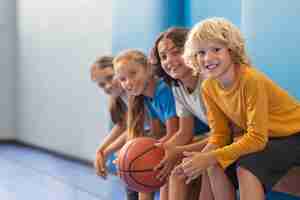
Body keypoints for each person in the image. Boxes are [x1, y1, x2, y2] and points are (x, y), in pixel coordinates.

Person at [173, 17, 300, 200]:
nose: (207, 58)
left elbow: (256, 138)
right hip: (270, 139)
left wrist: (209, 156)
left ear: (231, 51)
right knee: (213, 164)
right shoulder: (209, 87)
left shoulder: (251, 80)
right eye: (200, 52)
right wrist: (197, 160)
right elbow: (220, 135)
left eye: (216, 49)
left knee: (246, 168)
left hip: (294, 135)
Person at [149, 27, 213, 200]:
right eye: (163, 56)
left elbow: (225, 135)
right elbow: (185, 132)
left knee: (179, 169)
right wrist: (156, 151)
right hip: (216, 140)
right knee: (171, 167)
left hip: (235, 138)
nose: (170, 61)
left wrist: (177, 151)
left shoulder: (208, 81)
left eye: (176, 52)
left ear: (192, 51)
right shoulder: (177, 87)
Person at [113, 49, 179, 200]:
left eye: (133, 73)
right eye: (123, 79)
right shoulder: (147, 97)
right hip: (177, 142)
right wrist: (127, 156)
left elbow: (174, 133)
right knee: (139, 163)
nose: (128, 82)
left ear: (148, 69)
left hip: (194, 140)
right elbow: (157, 135)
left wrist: (137, 154)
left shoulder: (163, 90)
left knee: (147, 163)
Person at [90, 56, 138, 200]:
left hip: (162, 134)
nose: (108, 86)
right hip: (146, 134)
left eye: (110, 78)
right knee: (125, 155)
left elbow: (133, 127)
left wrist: (106, 152)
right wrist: (101, 150)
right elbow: (122, 125)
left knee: (127, 156)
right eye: (101, 85)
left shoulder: (134, 92)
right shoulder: (120, 97)